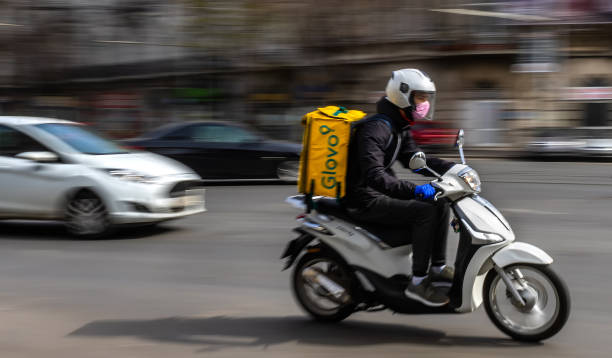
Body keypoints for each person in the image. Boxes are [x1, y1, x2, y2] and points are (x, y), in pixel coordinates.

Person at [343, 68, 455, 307]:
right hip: (364, 198)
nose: (424, 103)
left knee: (441, 200)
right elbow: (374, 176)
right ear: (403, 95)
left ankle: (438, 268)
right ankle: (418, 281)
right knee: (424, 211)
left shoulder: (399, 126)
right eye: (421, 97)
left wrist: (453, 170)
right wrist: (414, 191)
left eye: (426, 98)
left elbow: (416, 160)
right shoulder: (377, 129)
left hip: (378, 192)